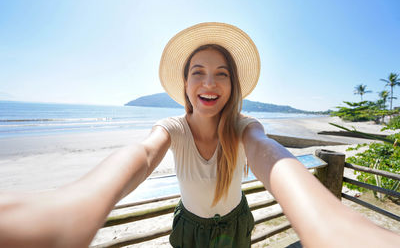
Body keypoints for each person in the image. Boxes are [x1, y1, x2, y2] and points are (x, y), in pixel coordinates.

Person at [0, 22, 399, 248]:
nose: (210, 82)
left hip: (236, 225)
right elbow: (141, 154)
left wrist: (329, 222)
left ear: (233, 85)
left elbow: (270, 156)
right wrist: (77, 203)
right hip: (188, 228)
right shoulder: (173, 128)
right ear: (186, 84)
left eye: (221, 73)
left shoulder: (246, 128)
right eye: (198, 72)